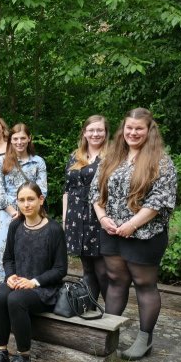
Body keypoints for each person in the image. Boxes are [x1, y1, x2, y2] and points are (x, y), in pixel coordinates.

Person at [90, 108, 177, 361]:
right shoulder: (112, 156)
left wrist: (132, 225)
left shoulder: (161, 161)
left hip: (145, 234)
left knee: (144, 284)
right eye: (129, 127)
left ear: (149, 130)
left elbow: (160, 200)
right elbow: (95, 191)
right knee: (115, 281)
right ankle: (108, 335)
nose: (133, 132)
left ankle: (144, 339)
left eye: (139, 128)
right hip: (111, 231)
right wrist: (103, 218)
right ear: (123, 129)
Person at [0, 182, 67, 362]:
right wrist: (10, 276)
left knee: (16, 300)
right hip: (19, 282)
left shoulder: (54, 230)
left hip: (43, 288)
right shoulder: (15, 225)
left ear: (41, 200)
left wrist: (34, 282)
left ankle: (24, 357)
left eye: (31, 199)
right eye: (21, 200)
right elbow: (8, 258)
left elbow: (60, 269)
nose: (26, 204)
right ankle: (2, 352)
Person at [0, 123, 47, 287]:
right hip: (7, 213)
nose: (19, 142)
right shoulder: (1, 161)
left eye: (23, 138)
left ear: (29, 139)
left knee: (31, 248)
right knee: (3, 249)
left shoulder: (38, 162)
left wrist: (27, 210)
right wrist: (13, 212)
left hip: (32, 212)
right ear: (10, 140)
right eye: (15, 139)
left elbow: (42, 190)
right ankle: (1, 283)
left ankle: (28, 282)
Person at [62, 115, 109, 301]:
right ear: (84, 132)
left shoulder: (112, 156)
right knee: (88, 269)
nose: (95, 134)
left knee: (103, 270)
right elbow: (67, 190)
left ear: (106, 133)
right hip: (75, 217)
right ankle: (90, 308)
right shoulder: (75, 156)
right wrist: (65, 219)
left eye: (99, 130)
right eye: (91, 130)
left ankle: (111, 312)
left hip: (98, 216)